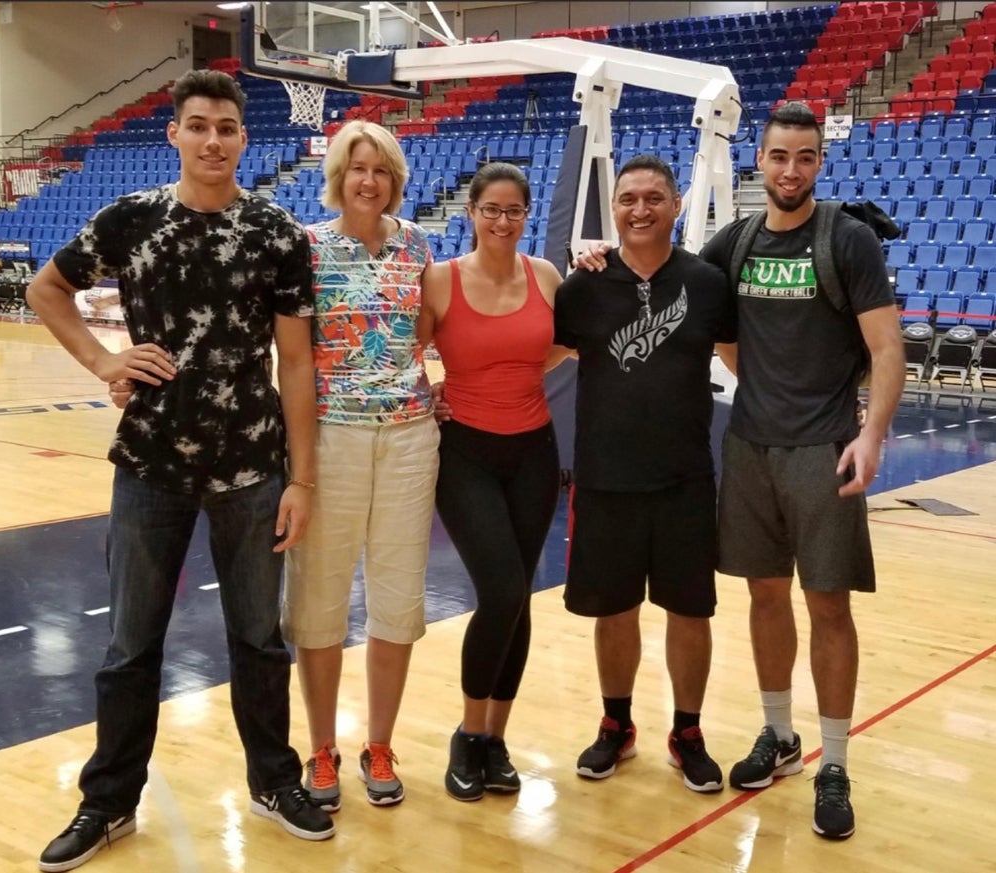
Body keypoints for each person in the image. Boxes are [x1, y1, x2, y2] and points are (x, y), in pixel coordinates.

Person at [28, 69, 333, 873]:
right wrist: (103, 358)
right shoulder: (131, 220)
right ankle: (109, 801)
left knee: (259, 641)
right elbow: (46, 287)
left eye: (226, 127)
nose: (212, 139)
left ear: (243, 138)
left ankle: (275, 779)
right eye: (197, 125)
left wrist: (302, 479)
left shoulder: (278, 233)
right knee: (130, 645)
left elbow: (296, 364)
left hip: (253, 467)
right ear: (174, 134)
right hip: (149, 465)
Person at [699, 101, 904, 839]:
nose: (791, 170)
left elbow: (886, 349)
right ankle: (780, 734)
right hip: (751, 446)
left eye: (805, 158)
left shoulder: (847, 241)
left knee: (828, 607)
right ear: (761, 160)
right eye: (780, 156)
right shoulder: (738, 241)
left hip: (824, 450)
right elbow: (716, 331)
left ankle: (836, 760)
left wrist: (871, 432)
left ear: (820, 161)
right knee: (762, 598)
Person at [555, 154, 735, 794]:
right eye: (628, 198)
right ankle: (616, 725)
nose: (639, 209)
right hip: (605, 479)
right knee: (615, 610)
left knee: (690, 612)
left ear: (676, 205)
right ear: (616, 209)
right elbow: (533, 356)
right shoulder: (583, 286)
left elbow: (747, 365)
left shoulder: (708, 283)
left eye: (653, 198)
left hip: (685, 478)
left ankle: (687, 732)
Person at [281, 120, 439, 811]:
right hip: (332, 441)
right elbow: (291, 360)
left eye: (380, 170)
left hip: (409, 439)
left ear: (395, 180)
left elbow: (422, 336)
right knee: (318, 598)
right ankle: (321, 747)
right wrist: (302, 467)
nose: (368, 181)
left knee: (398, 599)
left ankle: (380, 742)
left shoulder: (418, 244)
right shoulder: (307, 247)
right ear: (338, 176)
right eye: (356, 168)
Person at [416, 162, 568, 801]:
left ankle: (496, 740)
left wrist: (524, 368)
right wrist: (431, 395)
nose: (503, 221)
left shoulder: (547, 277)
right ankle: (467, 734)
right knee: (502, 589)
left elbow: (564, 344)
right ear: (471, 213)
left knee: (519, 597)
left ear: (526, 215)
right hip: (466, 454)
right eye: (491, 210)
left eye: (514, 211)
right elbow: (399, 354)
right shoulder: (442, 280)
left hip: (533, 450)